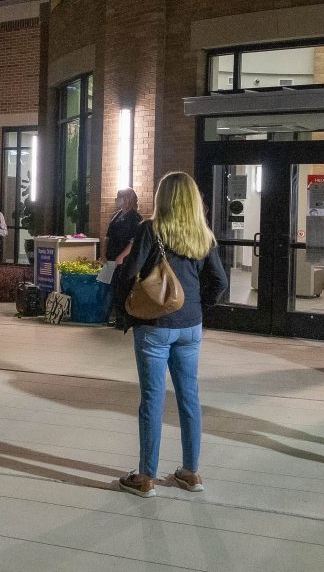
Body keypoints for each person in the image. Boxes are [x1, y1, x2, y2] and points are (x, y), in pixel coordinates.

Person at [114, 172, 228, 497]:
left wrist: (124, 307)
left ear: (163, 198)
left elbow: (130, 271)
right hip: (190, 327)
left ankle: (146, 477)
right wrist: (197, 307)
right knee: (189, 397)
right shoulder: (203, 236)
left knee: (152, 399)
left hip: (154, 326)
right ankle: (191, 473)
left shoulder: (151, 230)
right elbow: (219, 282)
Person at [104, 188, 142, 327]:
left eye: (120, 197)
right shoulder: (116, 216)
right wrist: (104, 253)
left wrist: (122, 256)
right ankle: (112, 315)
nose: (117, 200)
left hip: (124, 260)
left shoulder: (135, 218)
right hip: (111, 257)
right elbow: (108, 236)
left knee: (122, 289)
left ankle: (123, 318)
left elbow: (134, 241)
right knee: (111, 287)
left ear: (127, 199)